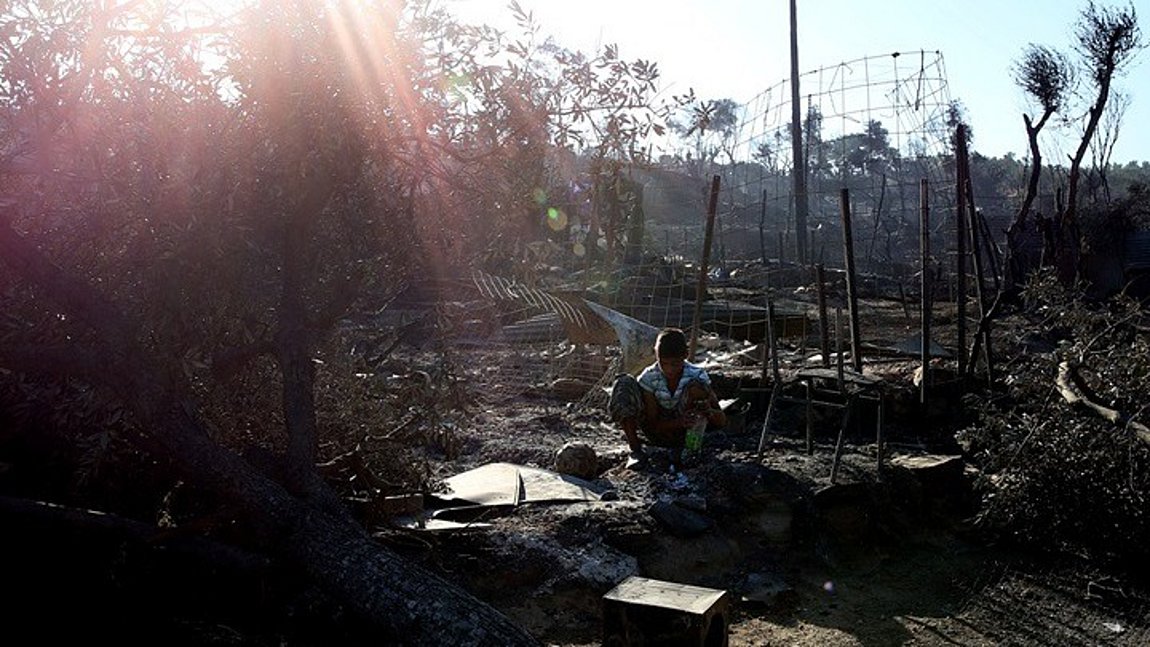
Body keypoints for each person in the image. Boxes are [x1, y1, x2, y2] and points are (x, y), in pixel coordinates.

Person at [608, 327, 726, 470]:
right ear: (656, 355)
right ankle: (636, 451)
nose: (669, 369)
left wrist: (709, 412)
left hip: (687, 433)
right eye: (663, 363)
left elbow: (721, 421)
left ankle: (690, 450)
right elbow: (652, 424)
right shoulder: (649, 377)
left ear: (685, 356)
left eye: (675, 364)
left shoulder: (697, 375)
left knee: (697, 388)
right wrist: (679, 422)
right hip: (658, 432)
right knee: (623, 383)